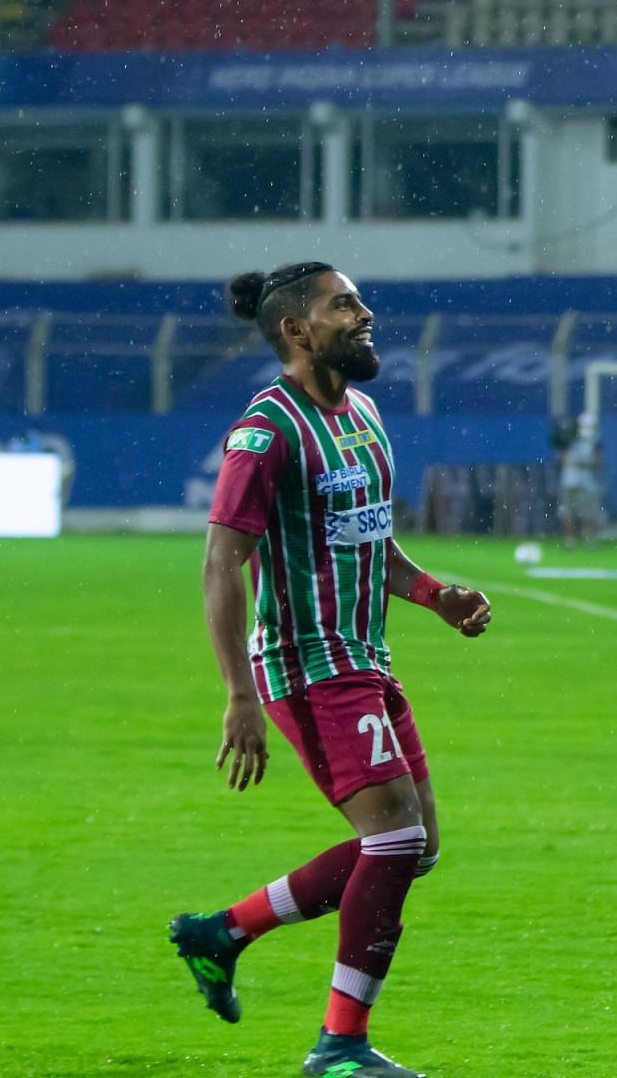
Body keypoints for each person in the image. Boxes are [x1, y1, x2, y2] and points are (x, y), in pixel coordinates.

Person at [172, 262, 493, 1078]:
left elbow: (370, 542)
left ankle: (226, 931)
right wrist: (239, 695)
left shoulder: (365, 414)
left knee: (413, 849)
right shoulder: (266, 431)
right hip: (306, 664)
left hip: (366, 658)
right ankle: (340, 1046)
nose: (364, 312)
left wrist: (435, 595)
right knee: (394, 840)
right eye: (343, 304)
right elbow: (222, 562)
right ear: (296, 330)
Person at [557, 412, 605, 548]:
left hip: (587, 482)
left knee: (588, 512)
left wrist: (582, 463)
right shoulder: (570, 439)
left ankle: (589, 538)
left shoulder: (595, 442)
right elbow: (563, 457)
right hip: (569, 480)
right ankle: (569, 541)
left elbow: (597, 461)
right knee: (567, 512)